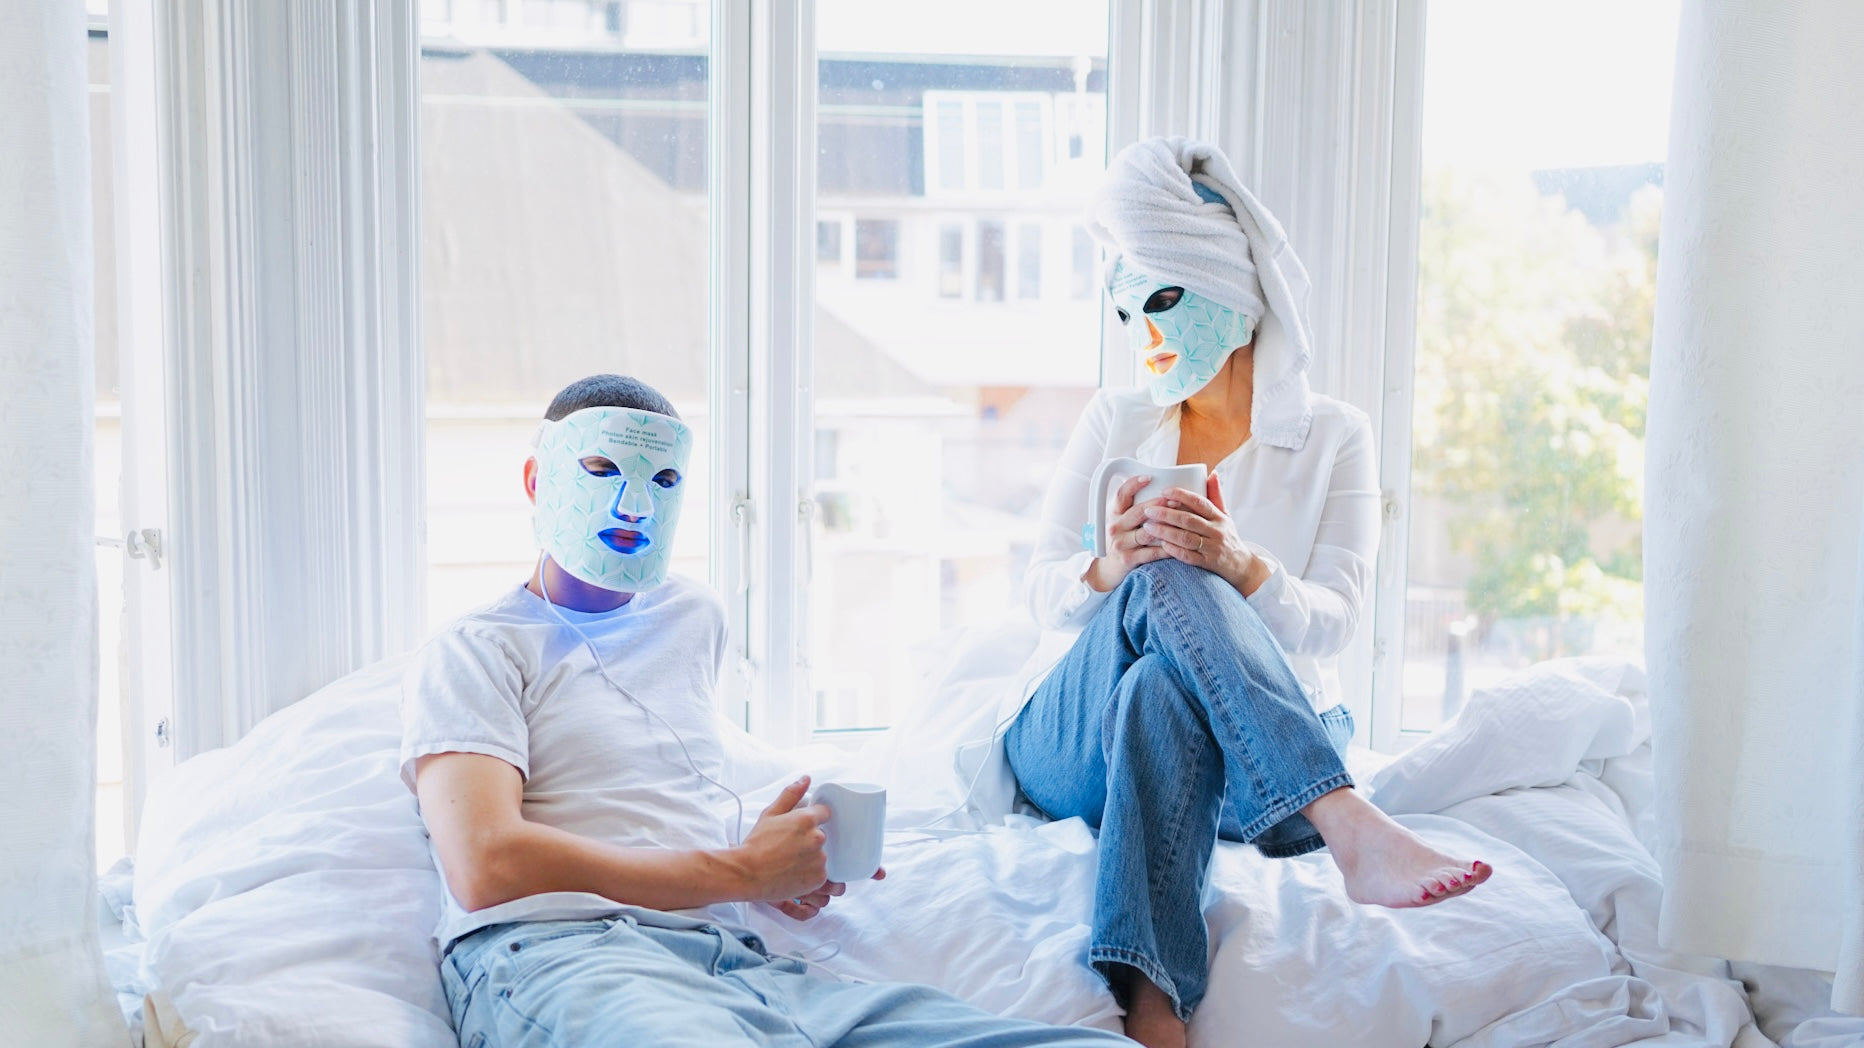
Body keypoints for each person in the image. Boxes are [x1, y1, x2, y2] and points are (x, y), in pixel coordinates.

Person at [401, 374, 1127, 1048]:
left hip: (729, 963)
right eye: (601, 469)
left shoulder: (690, 617)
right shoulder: (476, 648)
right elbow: (484, 863)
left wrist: (776, 874)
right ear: (538, 480)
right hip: (566, 956)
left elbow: (655, 799)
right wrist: (739, 872)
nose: (634, 506)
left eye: (663, 481)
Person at [1007, 138, 1493, 1048]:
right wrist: (1112, 567)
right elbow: (1035, 593)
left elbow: (1338, 621)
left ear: (1231, 294)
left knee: (1162, 685)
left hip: (1242, 767)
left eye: (1162, 300)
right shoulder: (1114, 418)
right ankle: (1341, 816)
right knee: (1162, 566)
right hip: (1071, 741)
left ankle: (1150, 998)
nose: (1142, 331)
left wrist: (1244, 566)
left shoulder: (1336, 437)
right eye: (1125, 309)